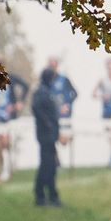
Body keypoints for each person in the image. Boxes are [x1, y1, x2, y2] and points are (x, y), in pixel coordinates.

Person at [32, 68, 64, 207]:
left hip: (50, 136)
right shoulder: (41, 92)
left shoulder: (47, 91)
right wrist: (48, 123)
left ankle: (52, 196)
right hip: (45, 136)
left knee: (51, 166)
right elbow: (36, 108)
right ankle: (40, 195)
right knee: (47, 166)